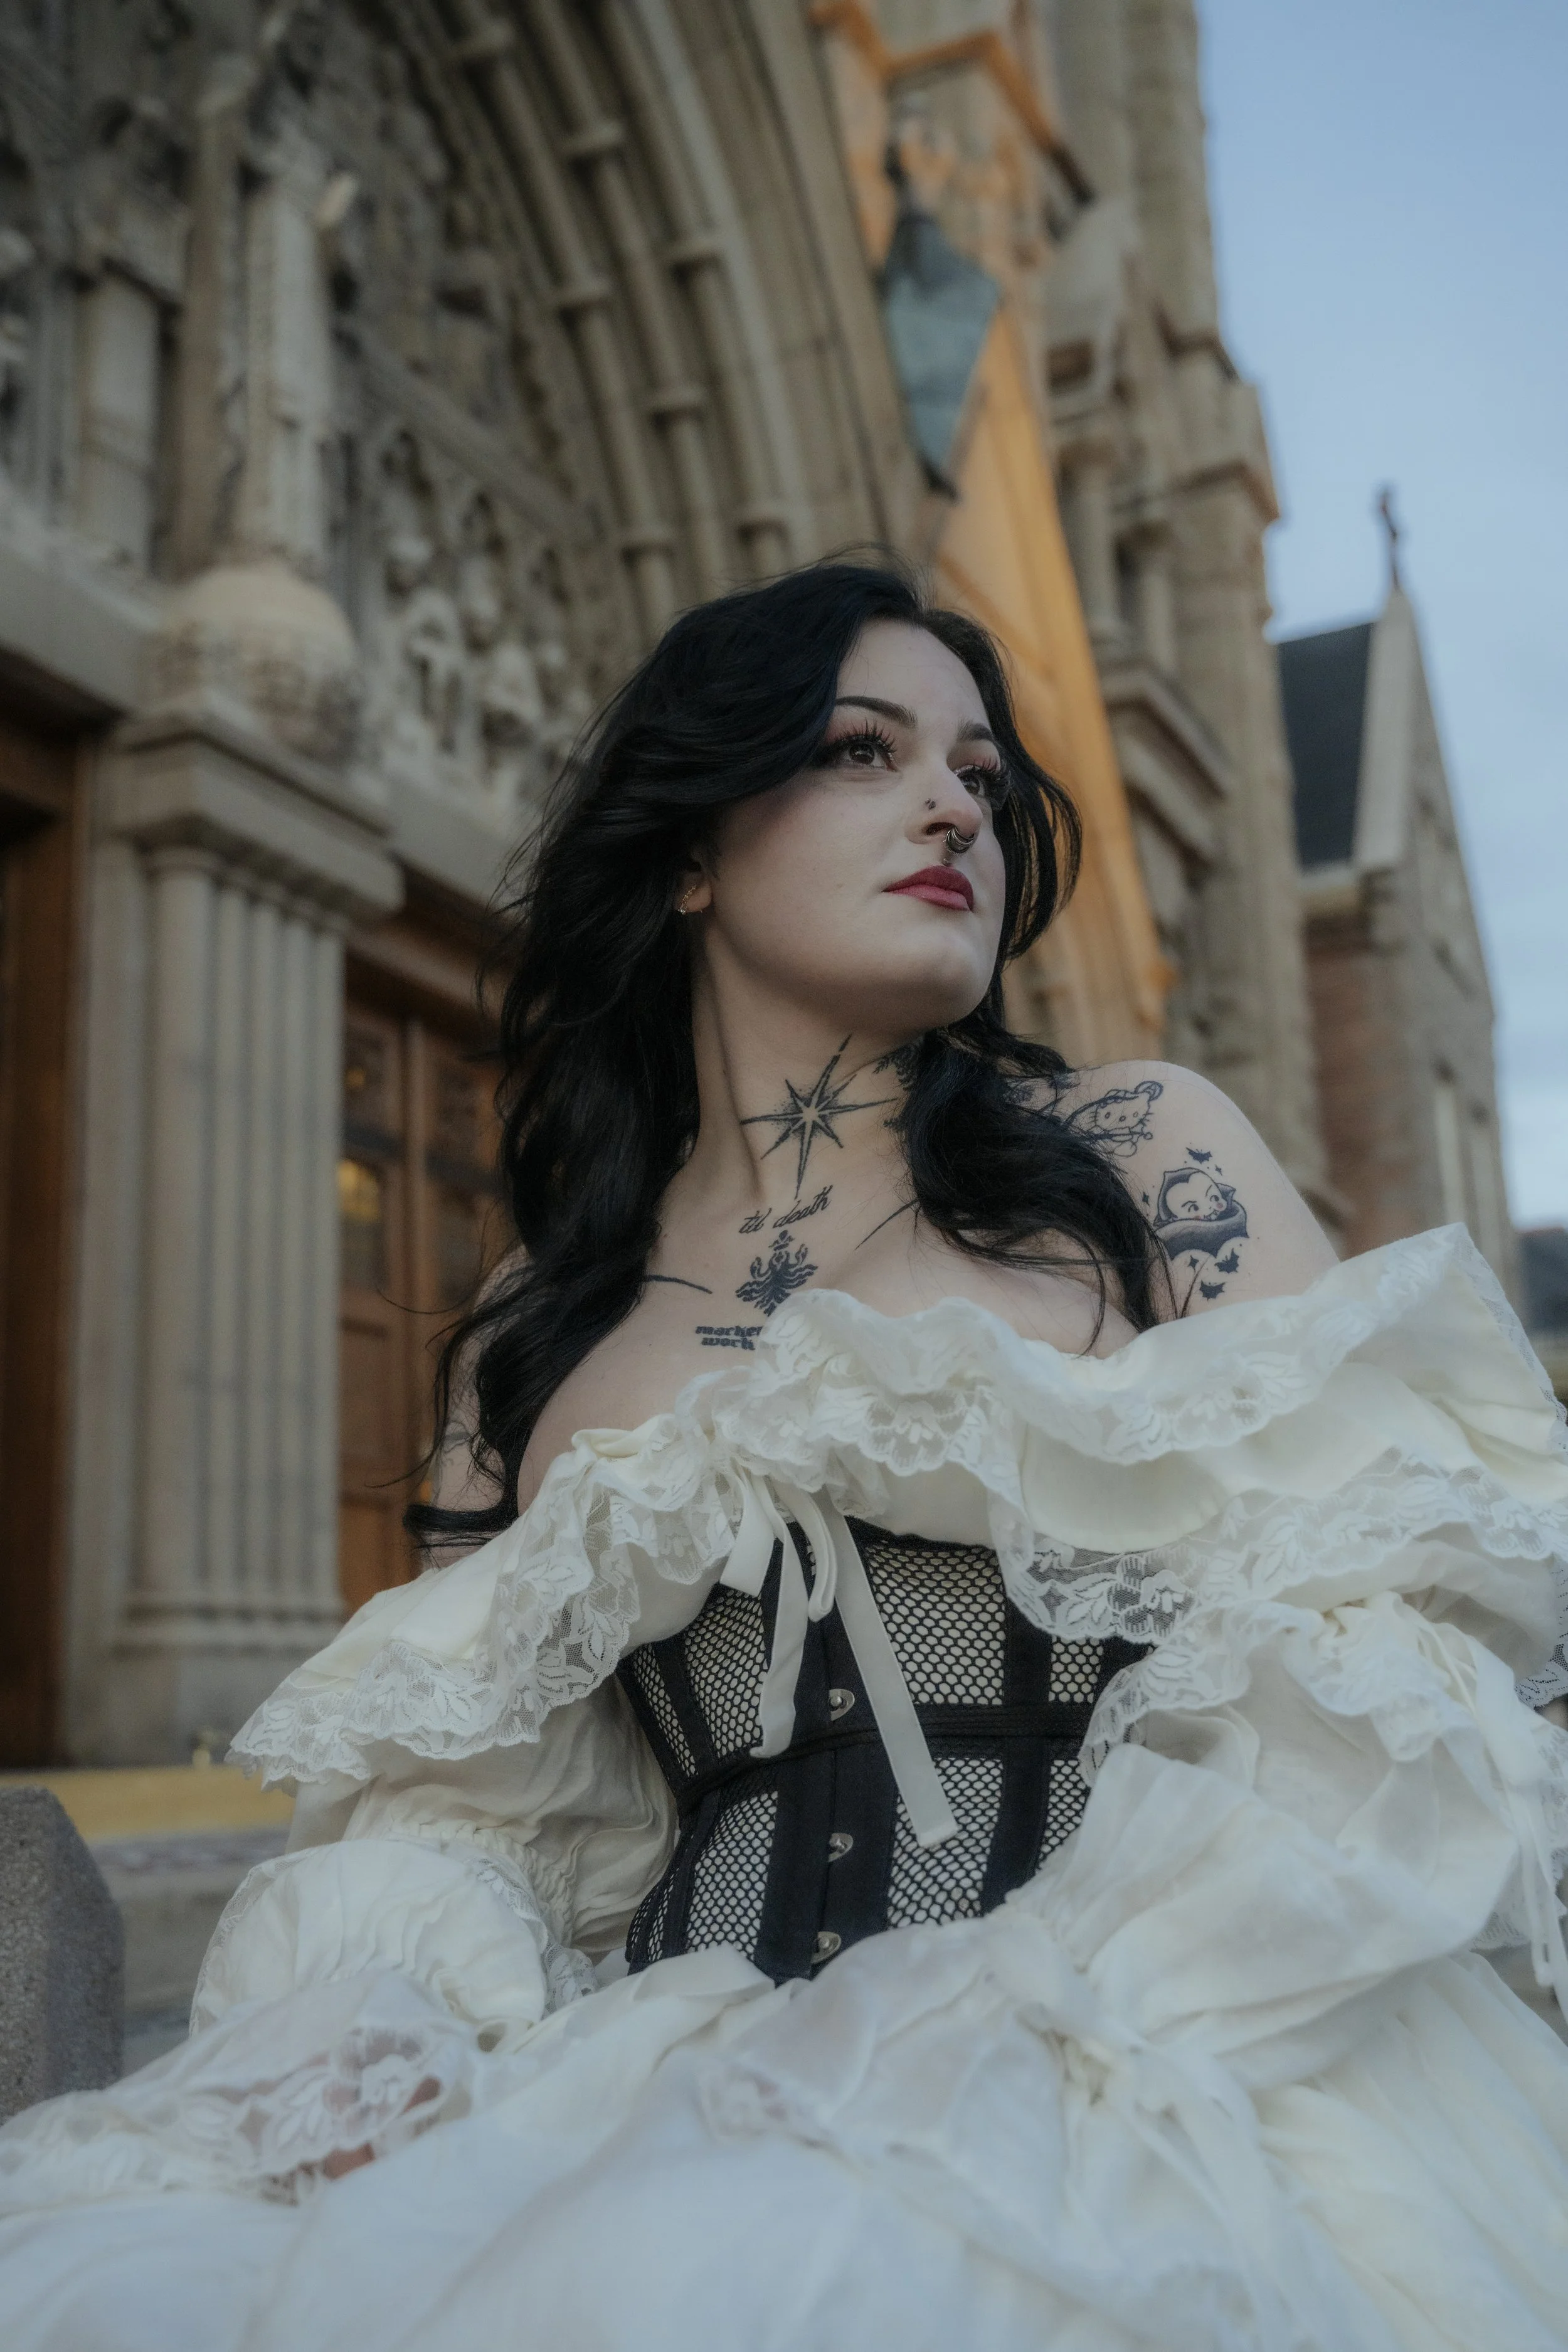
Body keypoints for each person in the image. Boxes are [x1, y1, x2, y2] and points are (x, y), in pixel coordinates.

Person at [3, 560, 1567, 2352]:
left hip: (1152, 2057)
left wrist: (1041, 2013)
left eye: (980, 775)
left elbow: (1391, 1638)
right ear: (691, 847)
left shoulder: (1143, 1160)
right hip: (685, 2079)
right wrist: (379, 2021)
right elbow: (479, 1812)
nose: (952, 809)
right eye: (861, 749)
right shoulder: (541, 1327)